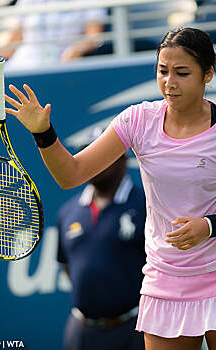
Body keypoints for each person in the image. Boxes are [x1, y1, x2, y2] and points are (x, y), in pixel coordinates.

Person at [5, 27, 216, 350]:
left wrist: (209, 226)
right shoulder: (137, 120)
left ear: (208, 75)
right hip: (167, 280)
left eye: (182, 73)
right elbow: (71, 174)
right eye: (162, 71)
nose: (169, 82)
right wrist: (43, 132)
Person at [56, 128, 146, 350]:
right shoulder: (68, 211)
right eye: (86, 154)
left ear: (123, 159)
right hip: (82, 333)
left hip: (136, 329)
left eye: (99, 153)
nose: (92, 161)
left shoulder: (147, 204)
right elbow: (68, 266)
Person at [0, 0, 106, 70]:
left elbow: (93, 37)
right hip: (20, 67)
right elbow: (11, 45)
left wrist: (74, 51)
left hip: (59, 68)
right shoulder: (28, 1)